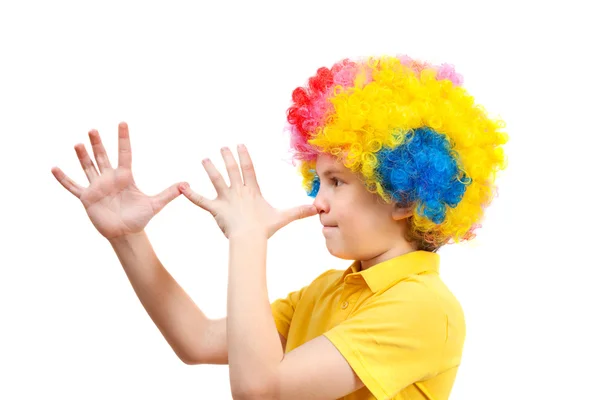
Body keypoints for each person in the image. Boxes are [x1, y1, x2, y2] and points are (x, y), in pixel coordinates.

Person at [51, 54, 507, 399]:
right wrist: (127, 237)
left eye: (336, 181)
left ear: (404, 197)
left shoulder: (424, 307)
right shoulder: (326, 292)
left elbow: (262, 390)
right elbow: (197, 340)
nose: (318, 199)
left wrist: (248, 238)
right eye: (318, 179)